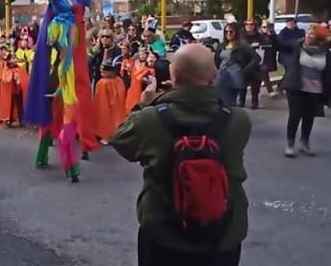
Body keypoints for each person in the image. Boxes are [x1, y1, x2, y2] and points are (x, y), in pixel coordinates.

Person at [110, 44, 251, 266]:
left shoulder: (149, 119)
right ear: (214, 75)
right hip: (223, 234)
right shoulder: (238, 120)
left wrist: (145, 104)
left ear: (172, 75)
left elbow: (119, 140)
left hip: (164, 232)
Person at [16, 0, 102, 181]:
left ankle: (49, 152)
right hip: (62, 41)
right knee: (67, 93)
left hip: (69, 44)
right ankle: (67, 158)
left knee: (62, 96)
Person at [272, 24, 330, 157]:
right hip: (296, 87)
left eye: (312, 33)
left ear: (319, 38)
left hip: (315, 89)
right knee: (295, 114)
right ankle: (290, 144)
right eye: (307, 33)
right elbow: (280, 45)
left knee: (309, 117)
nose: (308, 35)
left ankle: (305, 142)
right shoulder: (298, 46)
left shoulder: (325, 52)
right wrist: (271, 34)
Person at [214, 23, 260, 107]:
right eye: (226, 31)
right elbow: (216, 61)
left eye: (231, 31)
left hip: (235, 75)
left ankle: (230, 116)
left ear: (236, 32)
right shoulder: (221, 45)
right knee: (221, 99)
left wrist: (245, 70)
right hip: (222, 75)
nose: (228, 33)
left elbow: (256, 58)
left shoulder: (243, 45)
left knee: (230, 102)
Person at [91, 61, 127, 144]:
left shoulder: (103, 83)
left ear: (110, 71)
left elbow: (101, 100)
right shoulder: (118, 81)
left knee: (107, 119)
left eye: (103, 71)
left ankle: (106, 135)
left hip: (108, 107)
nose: (101, 72)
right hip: (116, 107)